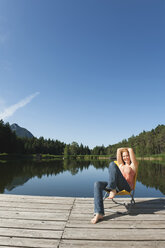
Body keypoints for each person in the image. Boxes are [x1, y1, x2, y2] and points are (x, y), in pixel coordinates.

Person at [91, 147, 138, 224]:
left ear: (130, 155)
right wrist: (122, 151)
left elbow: (130, 149)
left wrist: (127, 149)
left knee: (112, 164)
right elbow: (118, 150)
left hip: (126, 188)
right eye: (123, 156)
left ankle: (112, 189)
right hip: (116, 187)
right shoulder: (121, 165)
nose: (125, 157)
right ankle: (99, 213)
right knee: (97, 184)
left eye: (127, 155)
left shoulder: (133, 165)